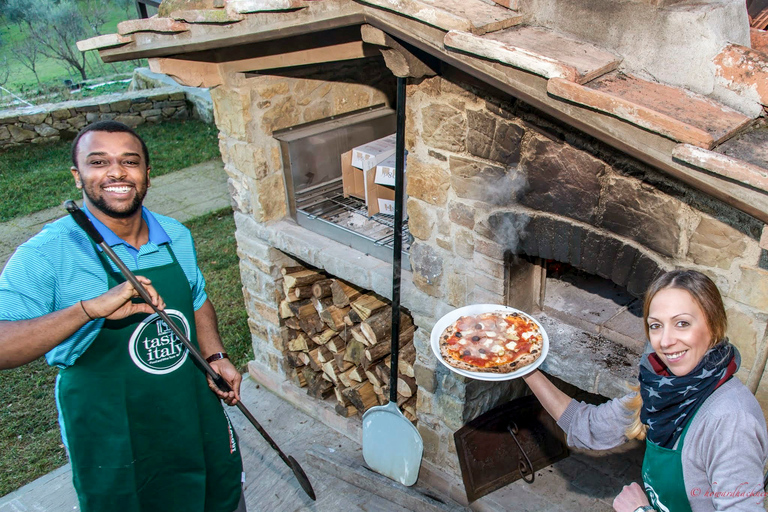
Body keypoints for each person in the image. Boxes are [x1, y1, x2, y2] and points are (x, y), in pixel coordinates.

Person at [0, 121, 246, 512]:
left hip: (190, 405)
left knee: (218, 494)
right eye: (99, 162)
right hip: (112, 427)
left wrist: (216, 355)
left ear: (147, 174)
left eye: (129, 162)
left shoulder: (175, 234)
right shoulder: (46, 253)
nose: (116, 172)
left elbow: (196, 298)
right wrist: (88, 310)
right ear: (77, 176)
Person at [523, 269, 768, 511]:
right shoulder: (661, 390)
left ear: (713, 327)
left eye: (682, 323)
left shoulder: (732, 420)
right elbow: (586, 424)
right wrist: (524, 367)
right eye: (655, 325)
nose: (665, 340)